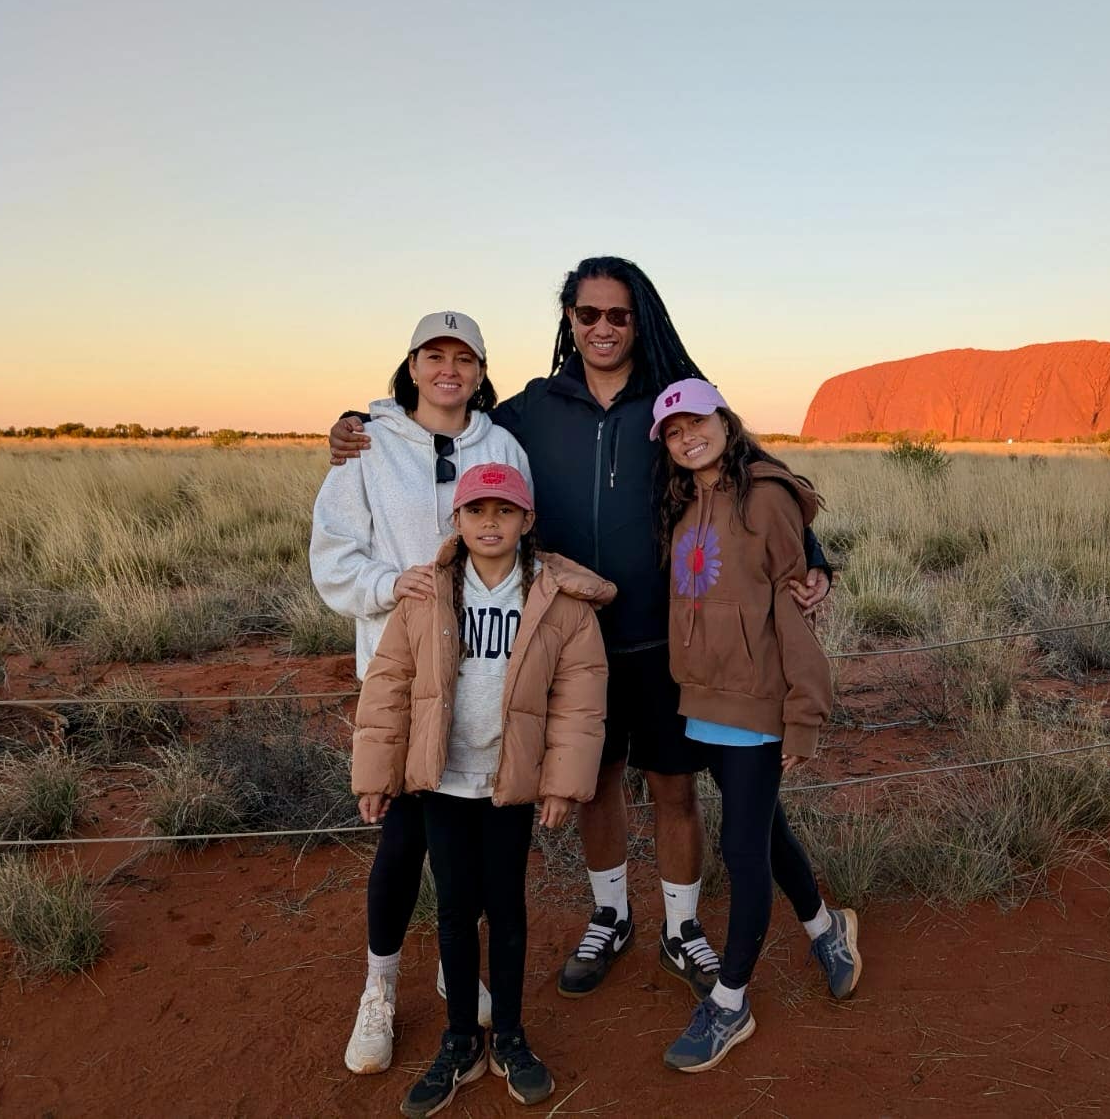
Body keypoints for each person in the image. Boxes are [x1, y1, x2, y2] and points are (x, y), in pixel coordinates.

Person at [328, 257, 831, 1004]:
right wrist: (368, 425)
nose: (602, 327)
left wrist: (811, 556)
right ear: (568, 321)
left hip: (664, 640)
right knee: (594, 785)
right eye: (588, 314)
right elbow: (450, 427)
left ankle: (682, 926)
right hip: (572, 643)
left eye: (618, 315)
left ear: (640, 321)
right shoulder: (533, 409)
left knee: (672, 788)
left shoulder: (670, 402)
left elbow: (745, 469)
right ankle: (611, 914)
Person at [352, 461, 612, 1115]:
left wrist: (561, 781)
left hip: (509, 784)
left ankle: (512, 1038)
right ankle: (461, 1039)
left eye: (504, 511)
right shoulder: (427, 594)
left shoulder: (558, 601)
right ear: (458, 521)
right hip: (443, 783)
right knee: (453, 912)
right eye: (476, 511)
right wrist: (378, 773)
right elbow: (387, 687)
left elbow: (581, 699)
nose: (489, 522)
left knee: (509, 909)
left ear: (527, 521)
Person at [310, 311, 531, 1074]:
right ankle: (378, 990)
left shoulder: (500, 445)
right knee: (404, 839)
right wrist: (385, 584)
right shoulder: (367, 443)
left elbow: (523, 535)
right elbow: (335, 557)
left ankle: (456, 968)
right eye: (434, 356)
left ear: (479, 369)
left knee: (464, 838)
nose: (449, 370)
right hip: (399, 672)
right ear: (410, 365)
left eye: (463, 358)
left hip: (482, 679)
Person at [650, 378, 862, 1074]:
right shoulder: (681, 504)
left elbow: (793, 612)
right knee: (764, 831)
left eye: (697, 421)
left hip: (757, 706)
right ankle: (828, 930)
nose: (688, 436)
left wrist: (803, 715)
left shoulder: (765, 498)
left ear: (724, 419)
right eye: (673, 431)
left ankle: (731, 1001)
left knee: (742, 851)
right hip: (701, 704)